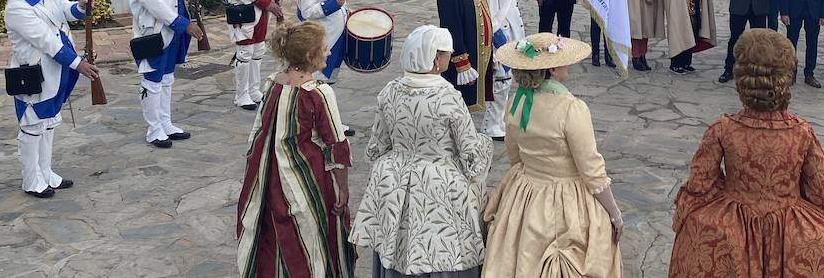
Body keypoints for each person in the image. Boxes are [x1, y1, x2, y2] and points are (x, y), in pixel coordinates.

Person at [669, 29, 824, 277]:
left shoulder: (722, 129)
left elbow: (700, 185)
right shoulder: (802, 133)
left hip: (734, 230)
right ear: (785, 79)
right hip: (789, 232)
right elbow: (820, 192)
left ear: (741, 78)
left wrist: (726, 189)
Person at [351, 26, 493, 278]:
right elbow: (471, 156)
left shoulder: (390, 91)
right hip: (439, 185)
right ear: (436, 60)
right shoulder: (448, 97)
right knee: (442, 250)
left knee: (397, 249)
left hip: (394, 184)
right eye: (447, 54)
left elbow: (376, 148)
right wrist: (486, 143)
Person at [481, 33, 622, 278]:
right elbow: (592, 171)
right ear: (554, 69)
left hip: (526, 192)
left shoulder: (516, 103)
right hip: (567, 199)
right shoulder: (570, 109)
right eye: (564, 60)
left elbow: (515, 157)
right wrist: (614, 213)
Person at [236, 21, 354, 277]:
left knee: (272, 237)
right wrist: (342, 188)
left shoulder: (272, 83)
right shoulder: (318, 93)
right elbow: (336, 145)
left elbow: (258, 133)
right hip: (305, 177)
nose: (329, 52)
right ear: (310, 56)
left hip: (268, 177)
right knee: (310, 236)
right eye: (324, 49)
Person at [1, 0, 101, 198]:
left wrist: (81, 5)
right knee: (33, 126)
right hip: (35, 74)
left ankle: (45, 172)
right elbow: (47, 42)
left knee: (48, 123)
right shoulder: (17, 8)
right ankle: (31, 179)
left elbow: (67, 12)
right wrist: (78, 63)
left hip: (58, 72)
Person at [125, 0, 205, 148]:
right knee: (152, 80)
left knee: (167, 78)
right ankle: (153, 130)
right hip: (155, 32)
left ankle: (165, 123)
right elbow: (154, 4)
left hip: (175, 31)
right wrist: (184, 24)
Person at [479, 0, 530, 139]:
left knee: (505, 82)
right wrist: (499, 42)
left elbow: (509, 2)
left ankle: (499, 122)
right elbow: (490, 11)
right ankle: (491, 126)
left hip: (512, 34)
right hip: (502, 37)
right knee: (500, 82)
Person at [437, 0, 493, 114]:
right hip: (463, 58)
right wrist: (463, 64)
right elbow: (452, 28)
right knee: (458, 105)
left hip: (477, 51)